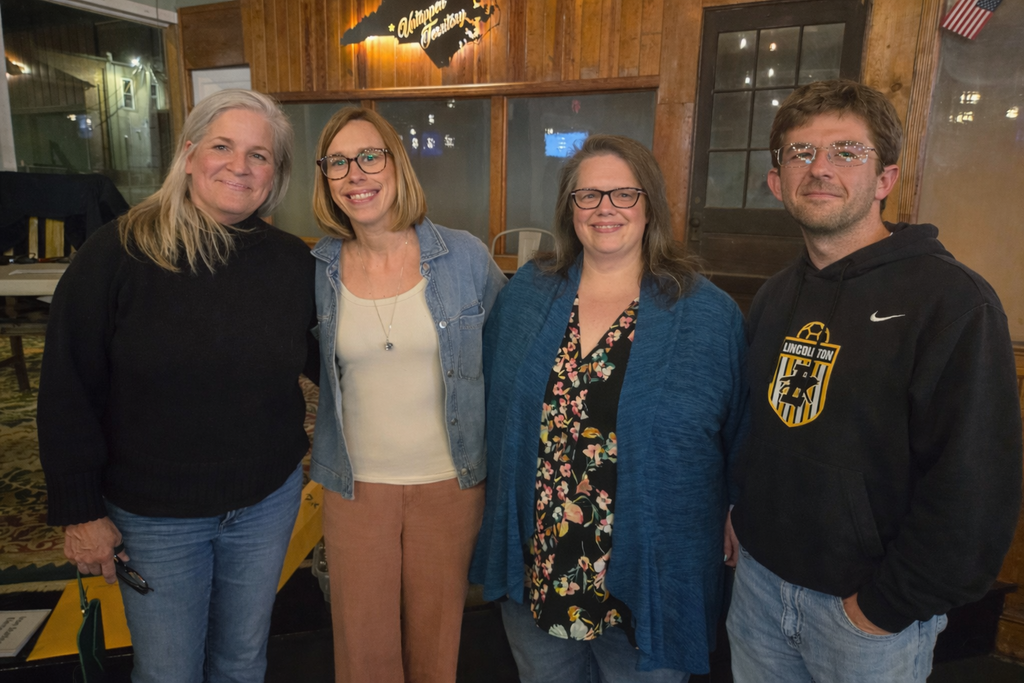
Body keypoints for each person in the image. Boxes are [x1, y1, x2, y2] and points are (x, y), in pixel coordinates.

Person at [724, 79, 1023, 683]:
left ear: (884, 179)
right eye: (800, 153)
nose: (820, 168)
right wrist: (740, 508)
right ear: (777, 180)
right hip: (758, 589)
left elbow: (976, 488)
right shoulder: (779, 293)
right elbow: (755, 420)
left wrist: (881, 609)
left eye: (846, 152)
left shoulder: (953, 303)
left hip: (863, 618)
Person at [37, 89, 319, 683]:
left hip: (265, 503)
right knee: (169, 672)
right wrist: (80, 511)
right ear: (189, 155)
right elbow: (67, 389)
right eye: (222, 146)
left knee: (243, 661)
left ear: (276, 175)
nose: (240, 166)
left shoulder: (294, 263)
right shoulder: (117, 252)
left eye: (259, 155)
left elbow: (333, 363)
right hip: (154, 517)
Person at [470, 135, 748, 681]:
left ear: (650, 207)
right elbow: (489, 405)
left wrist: (737, 505)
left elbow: (741, 429)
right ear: (569, 208)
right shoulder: (529, 293)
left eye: (623, 194)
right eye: (587, 195)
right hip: (542, 566)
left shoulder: (706, 315)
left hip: (650, 572)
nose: (604, 210)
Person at [307, 107, 506, 683]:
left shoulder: (464, 257)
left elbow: (508, 353)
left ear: (397, 164)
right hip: (355, 485)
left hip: (449, 484)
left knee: (435, 644)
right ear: (325, 178)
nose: (355, 174)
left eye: (370, 156)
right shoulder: (319, 268)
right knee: (362, 650)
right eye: (337, 163)